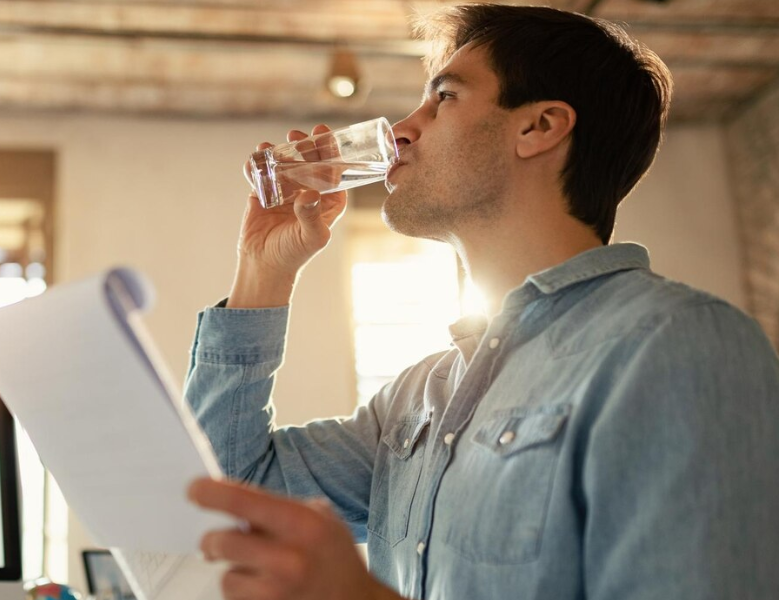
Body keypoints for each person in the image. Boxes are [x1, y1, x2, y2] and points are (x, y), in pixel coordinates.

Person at [181, 4, 779, 600]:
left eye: (443, 97)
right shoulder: (417, 400)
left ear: (539, 127)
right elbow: (223, 502)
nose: (399, 131)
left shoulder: (681, 344)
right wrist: (264, 268)